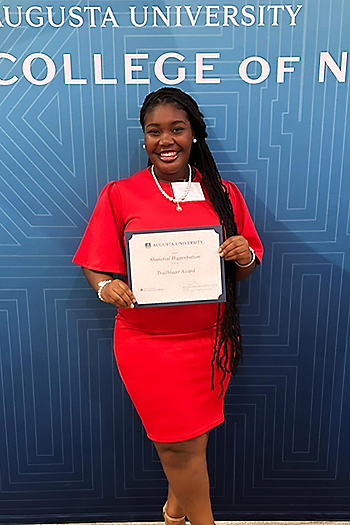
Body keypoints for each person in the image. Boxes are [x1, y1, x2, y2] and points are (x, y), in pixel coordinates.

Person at [73, 87, 263, 525]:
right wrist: (106, 289)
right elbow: (95, 264)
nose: (166, 140)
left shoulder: (224, 193)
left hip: (212, 342)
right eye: (154, 131)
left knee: (193, 441)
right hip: (147, 344)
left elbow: (247, 264)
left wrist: (243, 255)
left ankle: (174, 514)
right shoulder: (121, 193)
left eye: (177, 129)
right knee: (175, 443)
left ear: (194, 134)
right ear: (143, 140)